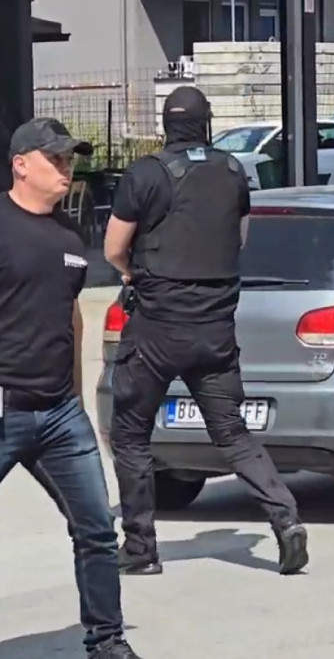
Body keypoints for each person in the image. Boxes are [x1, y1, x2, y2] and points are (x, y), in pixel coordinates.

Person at [103, 86, 308, 576]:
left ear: (165, 124)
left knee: (131, 436)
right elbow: (238, 239)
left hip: (155, 328)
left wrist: (133, 273)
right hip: (214, 329)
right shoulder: (234, 172)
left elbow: (113, 248)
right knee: (233, 435)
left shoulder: (145, 174)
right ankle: (286, 520)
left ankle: (140, 549)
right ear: (206, 123)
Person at [0, 118, 142, 658]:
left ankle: (107, 642)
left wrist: (78, 399)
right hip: (5, 404)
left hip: (60, 413)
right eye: (55, 159)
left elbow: (72, 318)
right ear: (21, 164)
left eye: (70, 158)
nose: (67, 168)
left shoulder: (69, 236)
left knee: (97, 530)